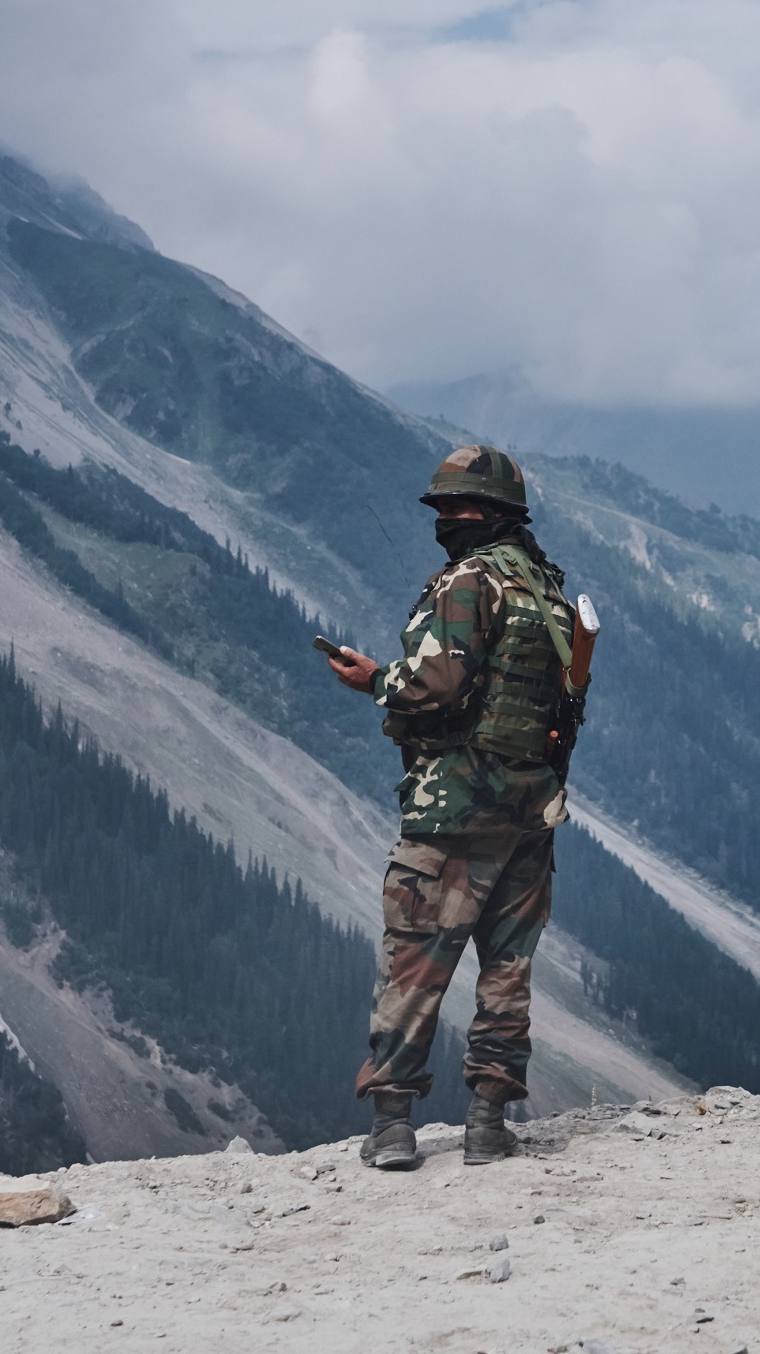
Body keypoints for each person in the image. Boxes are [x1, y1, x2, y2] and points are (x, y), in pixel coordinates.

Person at [323, 444, 585, 1169]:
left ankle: (392, 1126)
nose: (445, 519)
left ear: (491, 512)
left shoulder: (469, 581)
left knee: (414, 962)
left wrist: (375, 680)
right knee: (507, 970)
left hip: (453, 809)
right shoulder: (547, 589)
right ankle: (488, 1124)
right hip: (530, 808)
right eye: (441, 507)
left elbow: (435, 685)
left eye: (458, 507)